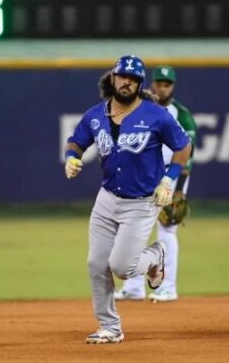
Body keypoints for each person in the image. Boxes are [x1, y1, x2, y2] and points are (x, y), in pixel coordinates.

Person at [65, 55, 192, 344]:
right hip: (106, 200)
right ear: (113, 78)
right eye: (123, 76)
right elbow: (76, 141)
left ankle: (156, 255)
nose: (127, 82)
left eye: (134, 79)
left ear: (139, 84)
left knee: (121, 267)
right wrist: (71, 157)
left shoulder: (156, 114)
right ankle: (110, 326)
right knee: (97, 264)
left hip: (142, 202)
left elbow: (184, 147)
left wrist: (169, 178)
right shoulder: (95, 115)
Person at [114, 65, 196, 302]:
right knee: (133, 230)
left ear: (173, 86)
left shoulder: (181, 115)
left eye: (167, 83)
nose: (162, 87)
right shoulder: (140, 109)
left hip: (170, 176)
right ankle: (134, 287)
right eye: (159, 82)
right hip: (143, 176)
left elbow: (187, 155)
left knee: (166, 229)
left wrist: (178, 189)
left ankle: (167, 287)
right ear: (151, 84)